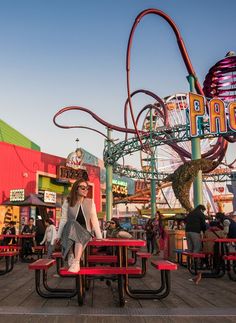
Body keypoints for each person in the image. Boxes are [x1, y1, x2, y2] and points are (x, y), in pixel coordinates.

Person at [57, 178, 102, 273]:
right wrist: (58, 235)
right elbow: (64, 219)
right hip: (70, 231)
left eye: (87, 188)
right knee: (72, 222)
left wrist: (99, 237)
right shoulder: (67, 202)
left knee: (78, 234)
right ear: (76, 189)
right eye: (82, 188)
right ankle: (72, 256)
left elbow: (94, 220)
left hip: (85, 233)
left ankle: (75, 260)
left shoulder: (90, 202)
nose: (85, 190)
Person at [185, 204, 206, 284]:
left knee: (190, 248)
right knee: (197, 248)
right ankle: (195, 265)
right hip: (195, 232)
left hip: (187, 231)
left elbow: (185, 220)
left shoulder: (191, 213)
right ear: (202, 209)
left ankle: (189, 264)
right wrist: (204, 231)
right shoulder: (200, 214)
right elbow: (203, 224)